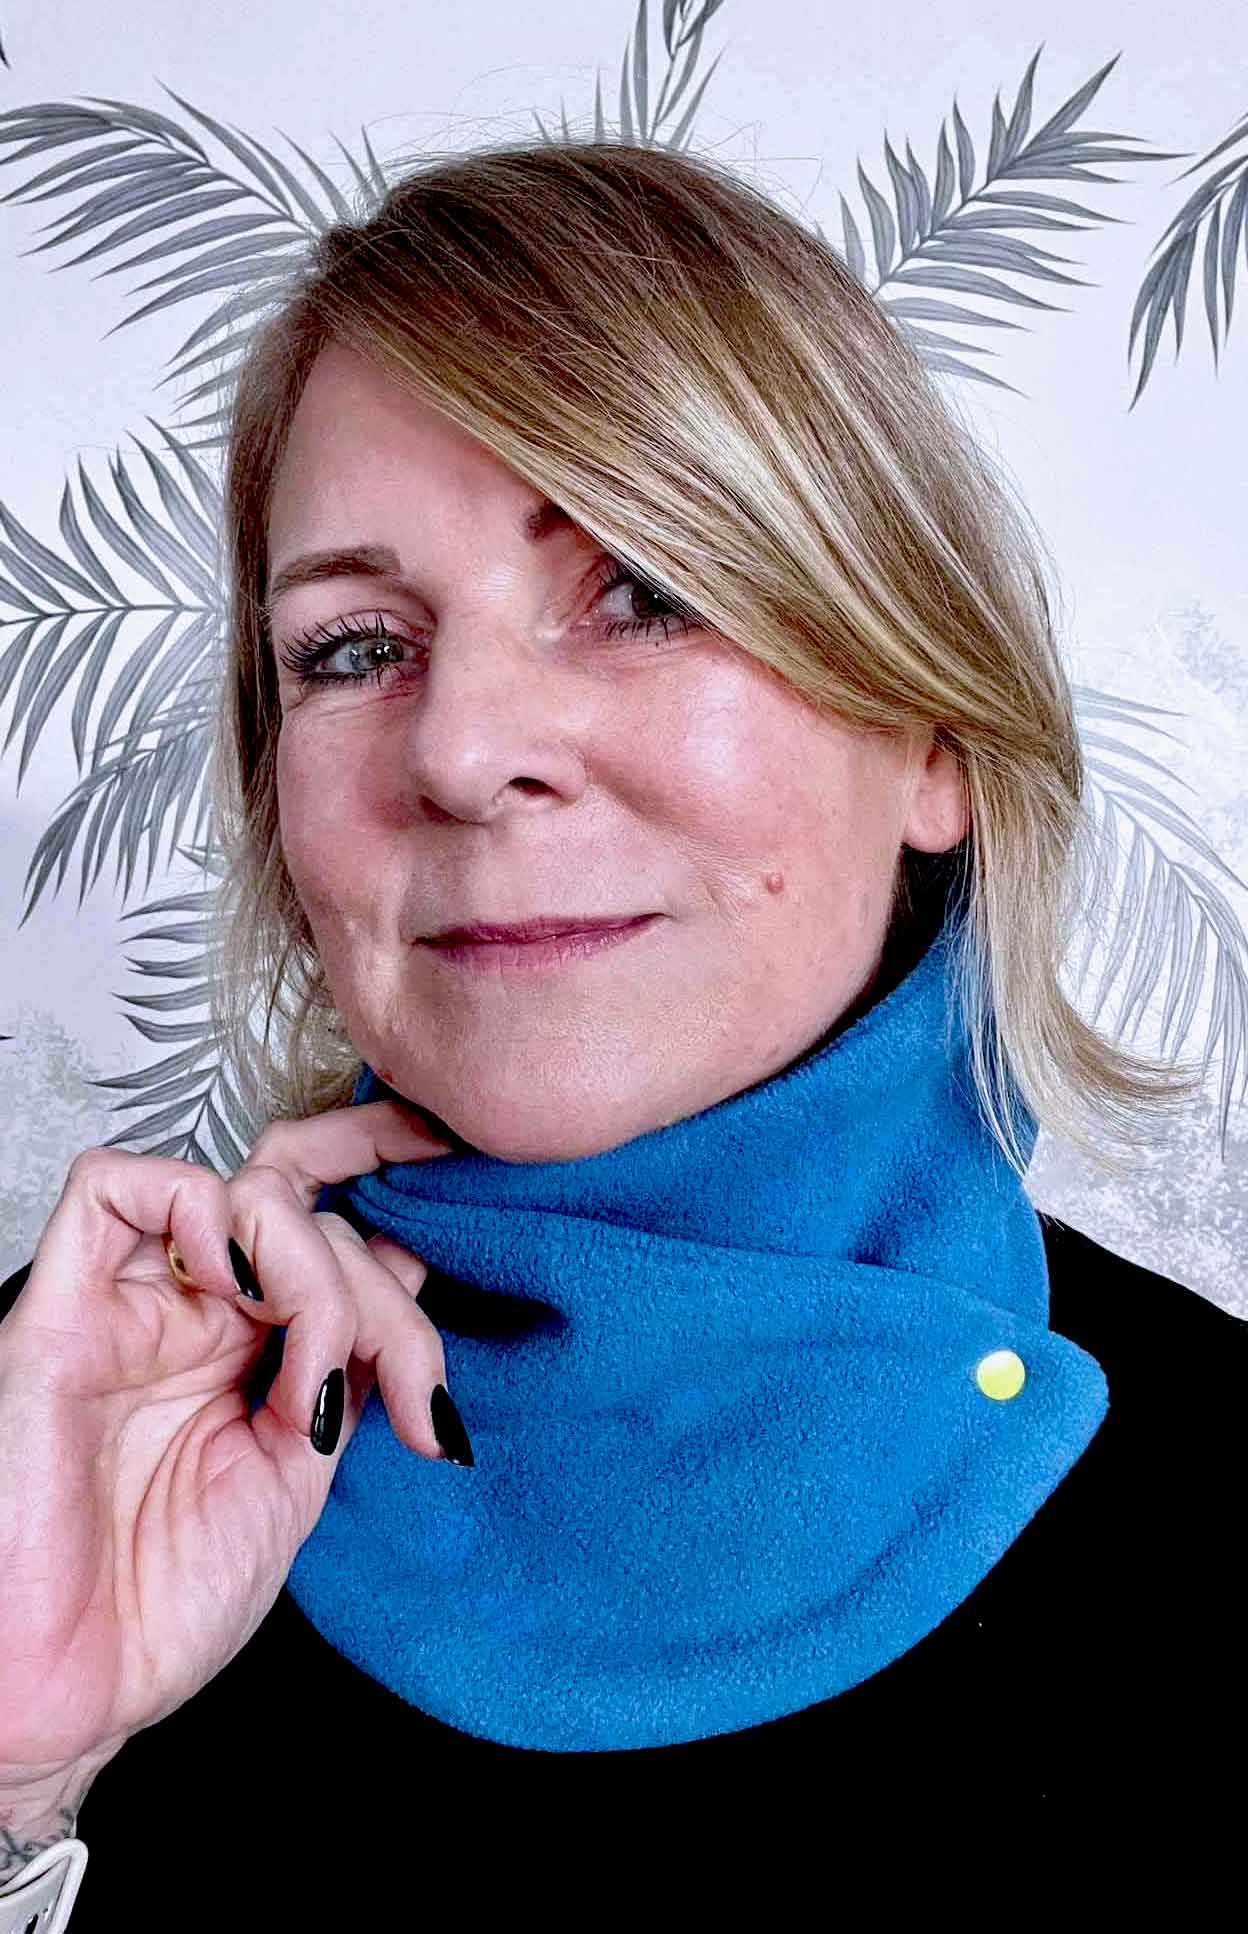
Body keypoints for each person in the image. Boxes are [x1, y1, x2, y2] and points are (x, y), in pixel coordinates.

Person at [1, 136, 1242, 1924]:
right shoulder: (47, 1439)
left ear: (933, 740)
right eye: (352, 648)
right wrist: (18, 1772)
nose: (457, 749)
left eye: (645, 590)